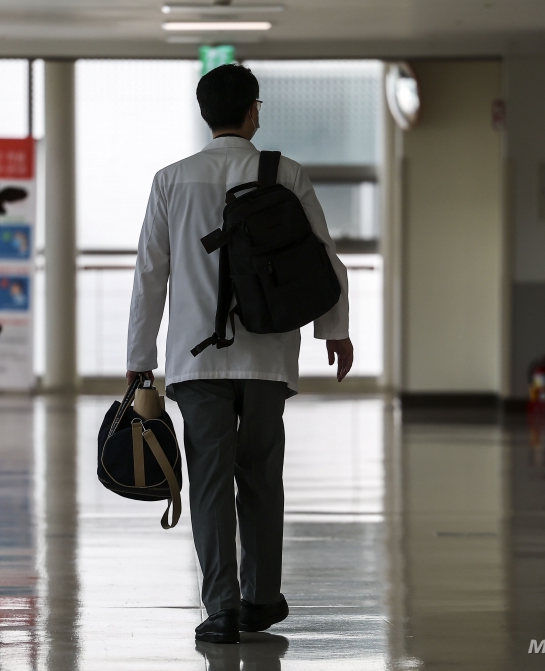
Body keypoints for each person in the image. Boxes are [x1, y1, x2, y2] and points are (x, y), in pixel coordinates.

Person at [126, 63, 355, 644]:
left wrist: (140, 357)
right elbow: (323, 258)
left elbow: (150, 274)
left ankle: (222, 606)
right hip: (267, 355)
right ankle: (261, 597)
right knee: (260, 476)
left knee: (207, 479)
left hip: (196, 363)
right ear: (253, 110)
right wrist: (335, 330)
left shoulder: (171, 179)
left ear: (206, 115)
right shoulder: (286, 173)